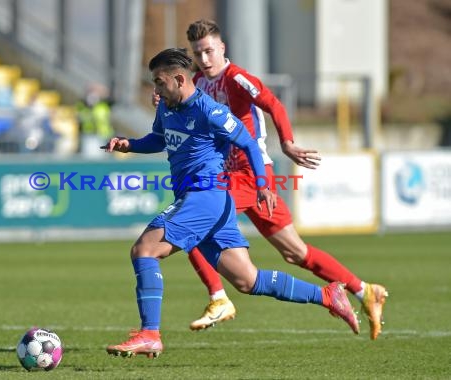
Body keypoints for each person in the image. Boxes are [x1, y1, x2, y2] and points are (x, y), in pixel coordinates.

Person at [103, 48, 359, 358]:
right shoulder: (167, 109)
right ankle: (328, 295)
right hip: (207, 201)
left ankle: (150, 334)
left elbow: (248, 143)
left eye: (159, 82)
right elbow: (160, 139)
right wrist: (129, 145)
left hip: (206, 194)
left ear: (180, 79)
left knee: (144, 250)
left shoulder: (210, 111)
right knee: (247, 280)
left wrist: (263, 186)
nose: (156, 91)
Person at [161, 19, 386, 340]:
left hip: (250, 175)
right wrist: (163, 99)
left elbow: (273, 104)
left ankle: (218, 298)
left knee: (188, 220)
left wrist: (288, 142)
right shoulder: (197, 81)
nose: (205, 58)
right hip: (231, 177)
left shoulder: (237, 78)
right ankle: (364, 291)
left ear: (222, 48)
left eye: (209, 50)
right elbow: (181, 104)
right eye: (199, 53)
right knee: (296, 253)